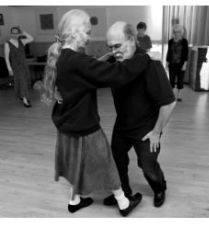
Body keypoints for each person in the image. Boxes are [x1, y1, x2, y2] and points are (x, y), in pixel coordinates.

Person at [42, 9, 150, 217]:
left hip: (66, 125)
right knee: (107, 162)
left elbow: (85, 73)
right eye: (88, 32)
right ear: (74, 32)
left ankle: (74, 201)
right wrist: (142, 60)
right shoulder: (78, 61)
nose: (90, 37)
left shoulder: (63, 57)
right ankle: (123, 202)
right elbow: (116, 75)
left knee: (76, 164)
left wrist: (105, 58)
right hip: (85, 126)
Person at [103, 21, 176, 208]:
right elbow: (96, 66)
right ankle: (124, 194)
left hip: (147, 128)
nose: (114, 52)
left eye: (117, 46)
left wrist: (156, 131)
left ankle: (160, 188)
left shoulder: (151, 65)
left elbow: (168, 102)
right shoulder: (114, 62)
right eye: (110, 47)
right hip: (123, 125)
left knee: (147, 167)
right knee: (116, 159)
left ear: (132, 40)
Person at [4, 26, 34, 107]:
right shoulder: (8, 43)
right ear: (10, 34)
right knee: (22, 81)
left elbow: (31, 38)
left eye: (16, 33)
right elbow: (6, 57)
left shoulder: (22, 41)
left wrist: (23, 32)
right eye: (13, 33)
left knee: (26, 81)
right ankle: (25, 100)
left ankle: (22, 96)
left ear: (18, 34)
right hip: (16, 66)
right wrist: (9, 69)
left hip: (24, 65)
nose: (14, 34)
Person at [166, 24, 188, 102]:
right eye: (175, 32)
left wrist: (185, 64)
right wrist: (167, 62)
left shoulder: (184, 41)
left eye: (178, 32)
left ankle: (178, 96)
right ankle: (171, 95)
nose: (176, 33)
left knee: (180, 80)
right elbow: (169, 52)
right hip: (172, 64)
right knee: (171, 80)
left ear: (181, 32)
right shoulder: (170, 41)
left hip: (181, 64)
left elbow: (186, 53)